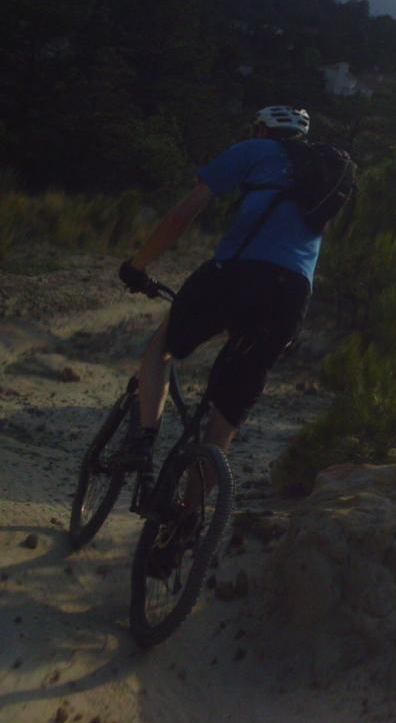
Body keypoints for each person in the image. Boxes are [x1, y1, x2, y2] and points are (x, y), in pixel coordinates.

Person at [114, 105, 320, 471]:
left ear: (261, 130)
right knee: (227, 413)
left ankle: (143, 442)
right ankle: (191, 522)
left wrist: (138, 265)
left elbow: (183, 213)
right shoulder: (320, 174)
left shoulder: (251, 150)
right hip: (292, 295)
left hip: (236, 273)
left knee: (162, 348)